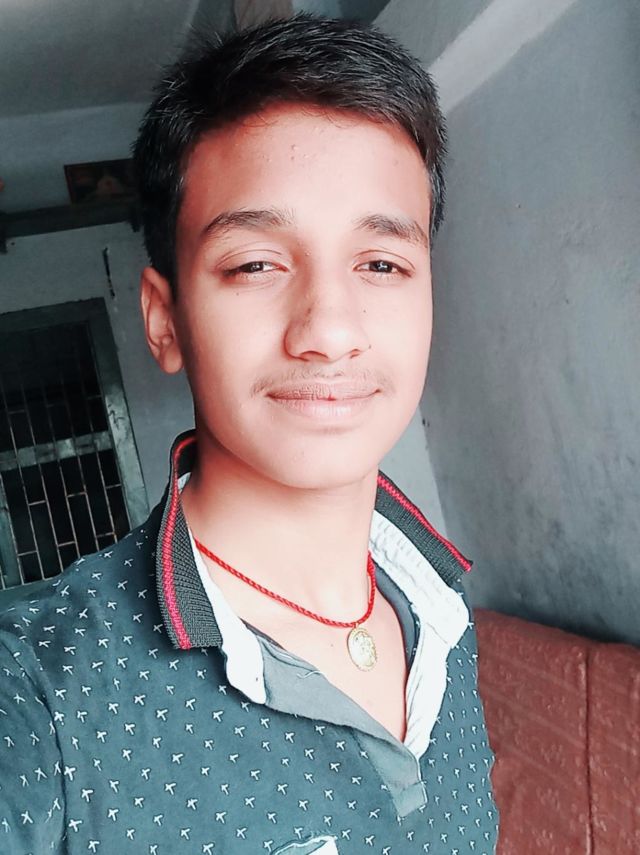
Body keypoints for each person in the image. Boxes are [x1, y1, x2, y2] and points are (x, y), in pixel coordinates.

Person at [0, 15, 498, 854]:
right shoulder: (44, 692)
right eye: (257, 264)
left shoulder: (438, 611)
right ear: (164, 319)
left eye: (381, 264)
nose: (329, 330)